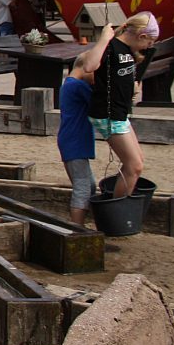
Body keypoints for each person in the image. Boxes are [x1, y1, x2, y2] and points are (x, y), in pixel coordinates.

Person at [80, 13, 155, 201]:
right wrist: (104, 38)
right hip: (108, 114)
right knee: (134, 166)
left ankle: (121, 199)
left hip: (119, 113)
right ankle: (120, 205)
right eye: (149, 42)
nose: (148, 47)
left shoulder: (127, 49)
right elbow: (89, 66)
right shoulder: (111, 46)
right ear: (141, 36)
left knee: (137, 161)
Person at [57, 62, 97, 225]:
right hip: (76, 142)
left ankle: (81, 224)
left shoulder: (68, 84)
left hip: (72, 141)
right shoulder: (78, 86)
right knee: (83, 187)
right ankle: (77, 228)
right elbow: (99, 103)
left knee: (90, 186)